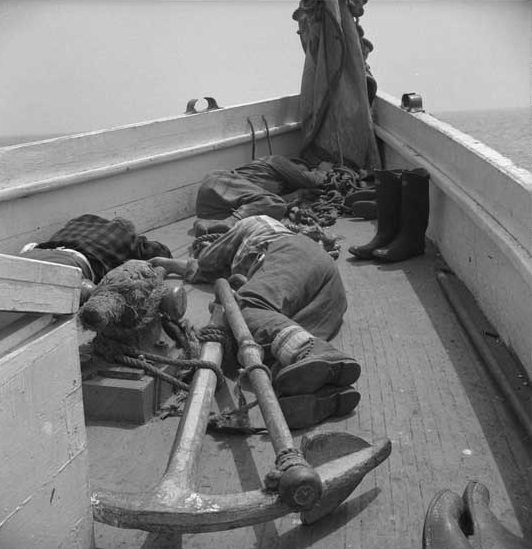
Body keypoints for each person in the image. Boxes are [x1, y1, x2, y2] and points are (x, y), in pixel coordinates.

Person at [150, 215, 361, 429]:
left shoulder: (254, 223)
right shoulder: (261, 254)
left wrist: (170, 263)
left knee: (242, 310)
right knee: (262, 343)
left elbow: (205, 265)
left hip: (295, 254)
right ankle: (319, 395)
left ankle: (309, 349)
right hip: (328, 298)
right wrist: (165, 264)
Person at [18, 214, 172, 301]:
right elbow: (162, 253)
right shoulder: (127, 237)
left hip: (34, 253)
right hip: (70, 263)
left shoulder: (83, 220)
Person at [192, 155, 327, 237]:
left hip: (214, 207)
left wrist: (298, 194)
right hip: (222, 183)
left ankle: (208, 224)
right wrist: (323, 169)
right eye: (300, 169)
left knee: (274, 206)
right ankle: (230, 222)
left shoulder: (264, 185)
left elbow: (258, 203)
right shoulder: (275, 161)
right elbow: (312, 180)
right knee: (276, 204)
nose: (300, 172)